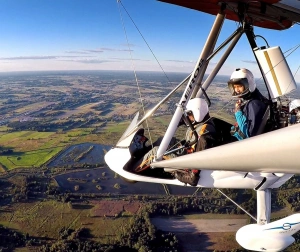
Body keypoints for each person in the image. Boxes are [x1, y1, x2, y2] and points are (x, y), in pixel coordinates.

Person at [174, 98, 218, 186]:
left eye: (189, 114)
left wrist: (193, 173)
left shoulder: (204, 133)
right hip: (186, 151)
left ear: (197, 114)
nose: (188, 117)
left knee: (155, 152)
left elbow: (201, 147)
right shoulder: (204, 123)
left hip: (187, 158)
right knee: (164, 141)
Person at [227, 68, 268, 140]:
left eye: (239, 86)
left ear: (249, 84)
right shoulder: (253, 99)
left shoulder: (254, 104)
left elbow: (250, 133)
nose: (236, 90)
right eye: (235, 87)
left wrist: (238, 112)